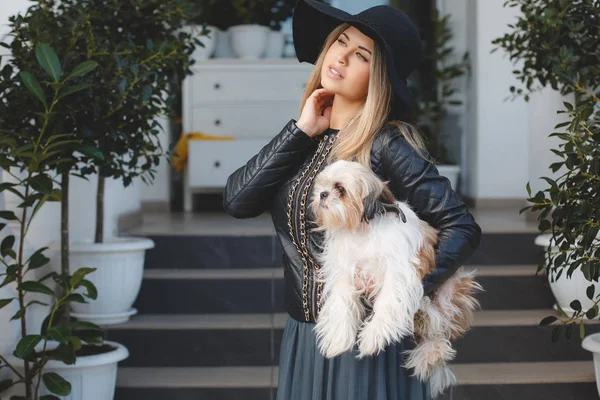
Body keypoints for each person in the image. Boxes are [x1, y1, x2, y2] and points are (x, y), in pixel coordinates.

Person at [223, 0, 482, 398]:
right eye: (340, 41)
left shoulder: (388, 143)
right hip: (305, 332)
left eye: (360, 55)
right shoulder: (302, 139)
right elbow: (238, 201)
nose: (340, 56)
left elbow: (461, 226)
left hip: (366, 340)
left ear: (377, 76)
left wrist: (397, 289)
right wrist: (301, 130)